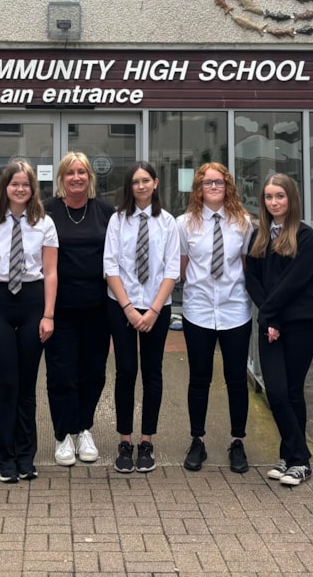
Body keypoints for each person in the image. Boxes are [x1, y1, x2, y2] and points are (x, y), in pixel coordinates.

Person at [0, 161, 58, 482]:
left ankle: (26, 456)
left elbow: (51, 272)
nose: (20, 189)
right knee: (7, 383)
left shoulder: (44, 224)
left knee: (26, 385)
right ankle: (3, 457)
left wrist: (49, 315)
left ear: (33, 188)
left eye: (25, 184)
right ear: (4, 188)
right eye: (14, 184)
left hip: (33, 302)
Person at [244, 172, 313, 487]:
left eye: (279, 196)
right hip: (272, 325)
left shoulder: (305, 237)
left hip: (302, 325)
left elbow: (294, 283)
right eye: (268, 197)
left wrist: (271, 315)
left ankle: (296, 460)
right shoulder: (259, 237)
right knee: (276, 392)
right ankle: (295, 454)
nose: (274, 202)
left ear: (291, 199)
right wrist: (270, 319)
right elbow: (252, 279)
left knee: (292, 391)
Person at [103, 161, 180, 474]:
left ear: (156, 183)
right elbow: (110, 267)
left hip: (156, 308)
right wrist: (129, 309)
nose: (141, 186)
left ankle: (147, 441)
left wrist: (153, 310)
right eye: (135, 181)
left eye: (146, 180)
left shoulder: (168, 222)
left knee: (152, 372)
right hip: (121, 306)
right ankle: (125, 440)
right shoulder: (118, 221)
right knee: (125, 371)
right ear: (129, 187)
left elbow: (172, 269)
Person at [177, 163, 254, 474]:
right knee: (199, 379)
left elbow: (248, 267)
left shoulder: (244, 223)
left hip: (236, 310)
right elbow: (180, 268)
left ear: (228, 186)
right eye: (207, 182)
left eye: (219, 183)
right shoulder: (185, 224)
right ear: (198, 187)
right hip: (198, 311)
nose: (213, 187)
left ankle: (237, 441)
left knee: (236, 380)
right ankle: (197, 439)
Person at [43, 151, 115, 467]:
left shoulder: (106, 212)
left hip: (98, 309)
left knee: (93, 373)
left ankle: (83, 427)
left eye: (82, 172)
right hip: (59, 309)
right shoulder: (46, 212)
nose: (76, 178)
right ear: (61, 178)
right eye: (70, 173)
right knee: (61, 374)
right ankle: (62, 434)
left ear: (90, 177)